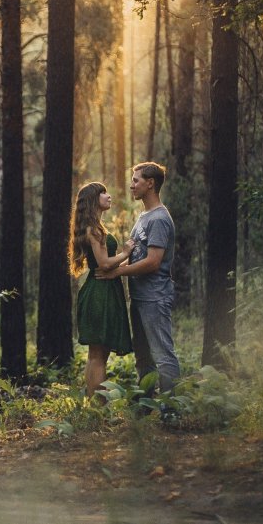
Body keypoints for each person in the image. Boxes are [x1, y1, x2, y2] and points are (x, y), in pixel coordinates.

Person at [97, 162, 181, 393]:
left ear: (150, 183)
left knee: (163, 355)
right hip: (140, 296)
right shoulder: (144, 216)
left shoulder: (160, 219)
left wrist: (118, 271)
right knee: (143, 357)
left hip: (155, 297)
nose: (132, 185)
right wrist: (112, 266)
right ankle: (145, 407)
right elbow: (137, 256)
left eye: (136, 180)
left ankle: (170, 411)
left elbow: (153, 261)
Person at [69, 181, 131, 401]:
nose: (108, 195)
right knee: (98, 356)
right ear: (94, 199)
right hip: (100, 294)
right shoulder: (94, 229)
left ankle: (94, 407)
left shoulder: (95, 227)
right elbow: (104, 264)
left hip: (101, 290)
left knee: (96, 355)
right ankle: (100, 409)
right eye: (103, 192)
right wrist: (126, 253)